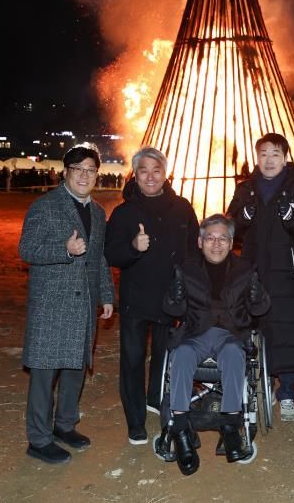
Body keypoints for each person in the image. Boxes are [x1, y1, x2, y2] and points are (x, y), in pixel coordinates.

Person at [18, 145, 115, 464]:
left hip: (84, 302)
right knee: (44, 375)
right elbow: (27, 249)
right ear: (65, 173)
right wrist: (64, 249)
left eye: (91, 170)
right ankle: (39, 439)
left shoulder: (98, 212)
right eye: (78, 169)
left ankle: (65, 425)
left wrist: (106, 294)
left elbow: (99, 257)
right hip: (52, 305)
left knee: (75, 368)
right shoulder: (45, 206)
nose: (85, 176)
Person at [161, 214, 270, 475]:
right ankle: (181, 429)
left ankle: (230, 425)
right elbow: (172, 309)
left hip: (231, 333)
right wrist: (175, 297)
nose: (216, 244)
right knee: (182, 354)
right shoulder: (186, 269)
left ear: (231, 243)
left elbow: (260, 309)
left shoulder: (246, 269)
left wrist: (258, 297)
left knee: (233, 354)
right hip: (195, 333)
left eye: (223, 238)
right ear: (200, 242)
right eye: (210, 238)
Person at [104, 147, 199, 445]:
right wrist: (133, 247)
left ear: (165, 174)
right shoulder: (124, 212)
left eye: (156, 170)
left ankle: (155, 400)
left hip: (171, 298)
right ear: (135, 174)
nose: (150, 177)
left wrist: (192, 287)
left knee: (164, 355)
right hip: (136, 298)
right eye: (143, 170)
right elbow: (111, 253)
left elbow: (194, 252)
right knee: (133, 359)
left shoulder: (182, 208)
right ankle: (135, 421)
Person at [227, 133, 294, 422]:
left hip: (287, 273)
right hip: (253, 271)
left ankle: (287, 392)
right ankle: (260, 384)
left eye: (275, 154)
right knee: (256, 328)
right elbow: (231, 229)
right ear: (257, 158)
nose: (269, 160)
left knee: (288, 330)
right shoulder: (245, 190)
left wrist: (292, 218)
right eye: (264, 154)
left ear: (286, 158)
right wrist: (243, 216)